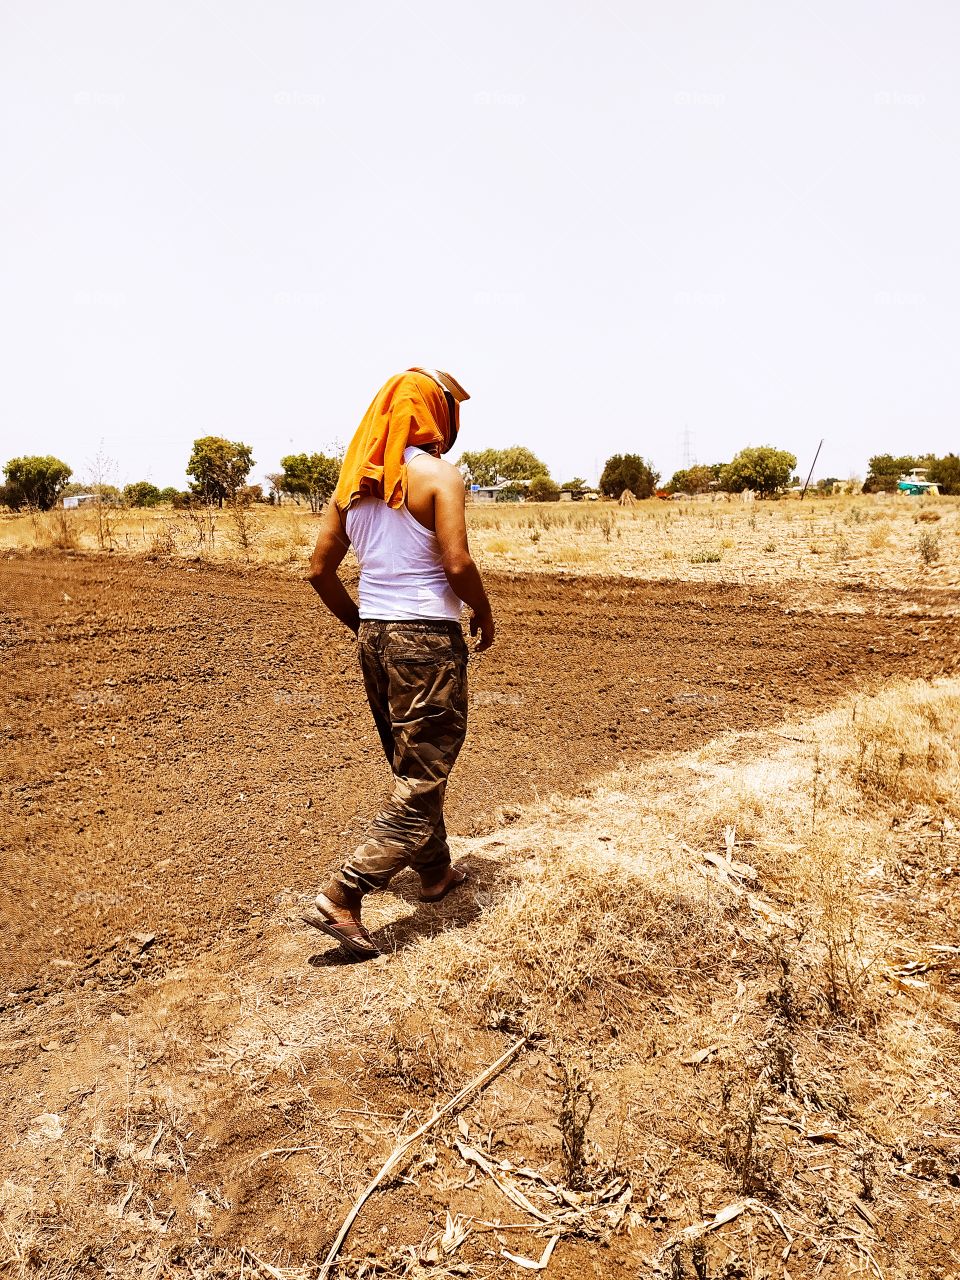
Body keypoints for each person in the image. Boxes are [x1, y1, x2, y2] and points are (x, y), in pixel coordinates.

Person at [302, 367, 495, 958]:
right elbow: (457, 564)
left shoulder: (352, 488)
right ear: (433, 413)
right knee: (421, 777)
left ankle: (434, 873)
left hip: (378, 641)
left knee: (411, 758)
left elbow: (318, 571)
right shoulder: (438, 476)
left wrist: (363, 624)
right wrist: (483, 613)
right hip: (426, 640)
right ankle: (344, 893)